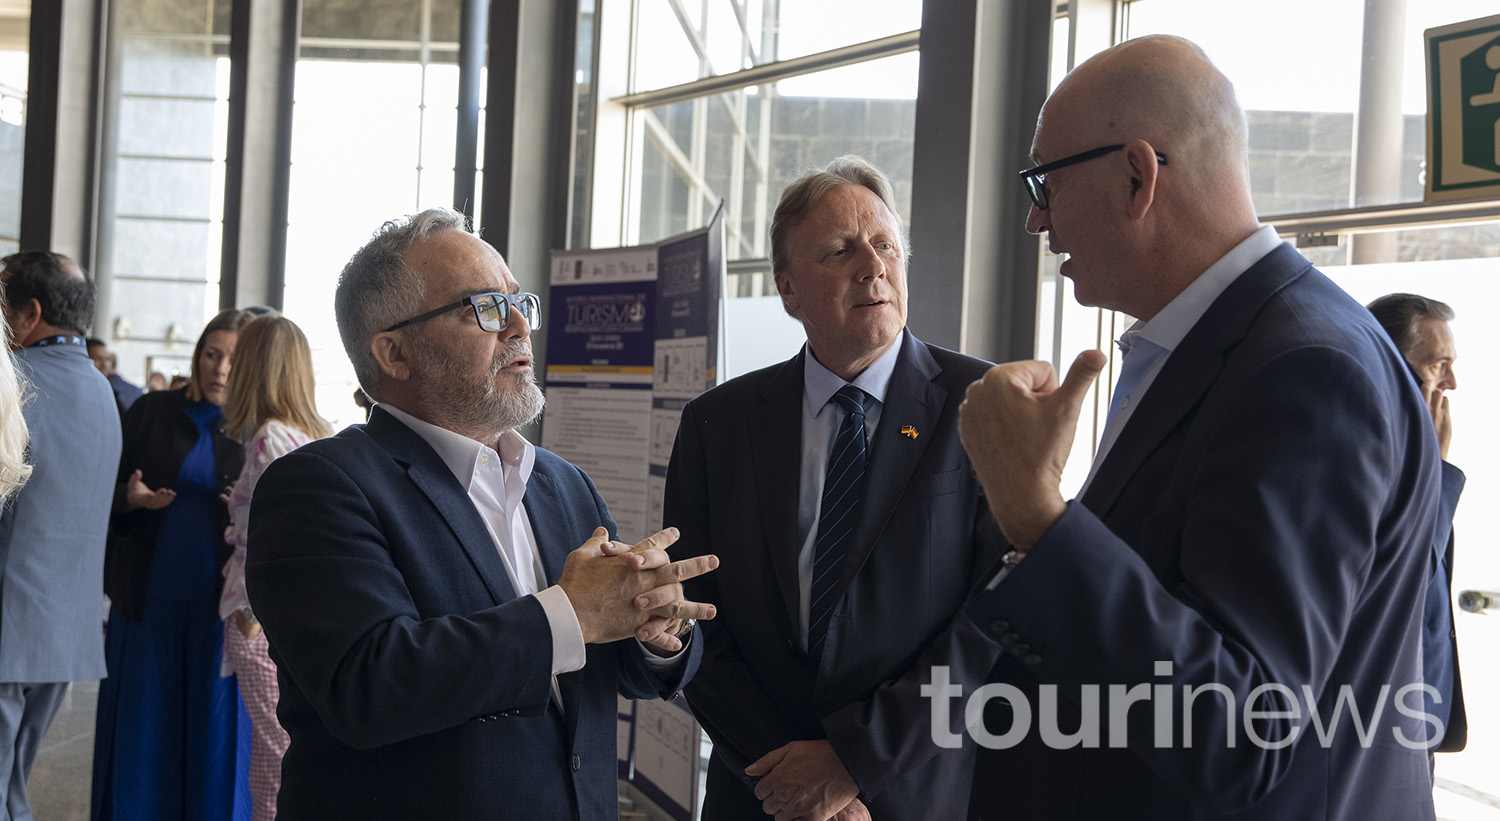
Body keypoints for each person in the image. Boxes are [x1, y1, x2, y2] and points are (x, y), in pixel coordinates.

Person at [956, 36, 1441, 820]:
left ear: (1137, 175)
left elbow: (1243, 731)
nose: (1034, 218)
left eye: (1045, 180)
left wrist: (1036, 514)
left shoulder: (1306, 369)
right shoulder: (1229, 344)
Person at [244, 207, 719, 820]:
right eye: (486, 307)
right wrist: (570, 613)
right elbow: (369, 686)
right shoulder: (318, 485)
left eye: (520, 301)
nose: (521, 324)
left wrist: (658, 632)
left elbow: (605, 662)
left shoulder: (563, 483)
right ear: (393, 352)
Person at [663, 156, 1005, 821]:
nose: (872, 265)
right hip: (760, 794)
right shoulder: (716, 425)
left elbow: (996, 619)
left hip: (912, 794)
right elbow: (696, 616)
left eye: (884, 246)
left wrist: (852, 762)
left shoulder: (984, 404)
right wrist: (792, 781)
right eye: (841, 251)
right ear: (788, 288)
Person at [92, 307, 255, 821]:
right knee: (143, 733)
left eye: (233, 358)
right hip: (148, 600)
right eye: (212, 354)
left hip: (219, 612)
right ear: (197, 355)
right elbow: (105, 490)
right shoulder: (150, 411)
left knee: (215, 739)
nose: (221, 369)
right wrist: (132, 498)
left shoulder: (256, 428)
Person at [0, 251, 119, 821]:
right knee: (12, 786)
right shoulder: (103, 391)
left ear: (30, 313)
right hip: (64, 629)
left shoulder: (15, 383)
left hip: (7, 620)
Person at [217, 314, 332, 821]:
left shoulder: (268, 440)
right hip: (285, 616)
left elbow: (283, 536)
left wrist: (249, 615)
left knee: (274, 759)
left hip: (258, 614)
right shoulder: (310, 435)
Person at [1367, 293, 1466, 757]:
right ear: (1393, 364)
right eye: (1437, 365)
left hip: (1416, 719)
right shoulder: (1370, 453)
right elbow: (1409, 575)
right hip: (1383, 722)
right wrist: (1435, 470)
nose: (1450, 382)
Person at [86, 337, 144, 414]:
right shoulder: (81, 391)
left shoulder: (113, 395)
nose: (105, 365)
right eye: (98, 358)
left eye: (107, 359)